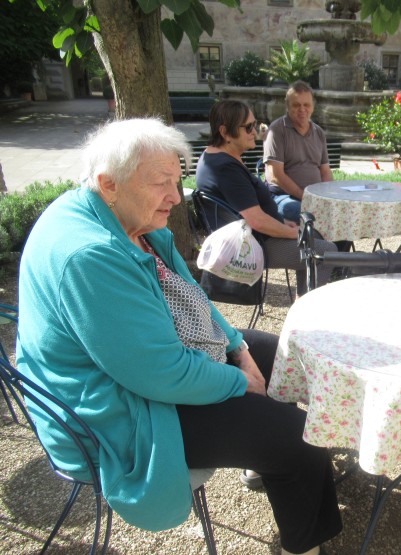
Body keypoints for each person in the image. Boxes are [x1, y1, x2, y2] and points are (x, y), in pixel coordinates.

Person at [15, 118, 342, 555]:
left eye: (177, 179)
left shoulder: (126, 217)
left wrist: (237, 348)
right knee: (299, 439)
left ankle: (266, 464)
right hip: (118, 412)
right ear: (109, 183)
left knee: (282, 356)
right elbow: (160, 374)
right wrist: (239, 381)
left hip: (142, 367)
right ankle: (301, 540)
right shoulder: (89, 255)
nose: (176, 196)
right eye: (160, 183)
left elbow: (191, 296)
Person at [196, 99, 337, 298]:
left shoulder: (215, 158)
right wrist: (291, 233)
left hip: (255, 237)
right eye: (248, 127)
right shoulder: (225, 168)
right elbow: (256, 221)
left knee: (315, 237)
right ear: (225, 132)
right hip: (255, 245)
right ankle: (306, 317)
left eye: (255, 124)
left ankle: (302, 304)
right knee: (326, 252)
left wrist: (283, 224)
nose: (255, 131)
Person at [264, 80, 333, 224]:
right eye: (296, 105)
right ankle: (319, 246)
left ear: (313, 107)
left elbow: (325, 171)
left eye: (306, 105)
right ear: (287, 107)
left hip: (314, 197)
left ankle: (333, 247)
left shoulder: (318, 132)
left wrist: (329, 196)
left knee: (340, 214)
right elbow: (276, 175)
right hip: (283, 196)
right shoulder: (277, 130)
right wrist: (305, 197)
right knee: (308, 215)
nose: (302, 109)